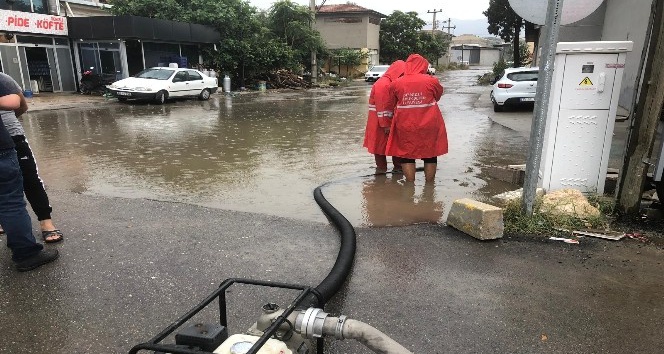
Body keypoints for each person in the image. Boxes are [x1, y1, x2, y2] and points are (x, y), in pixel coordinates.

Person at [0, 84, 58, 272]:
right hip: (2, 147)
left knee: (31, 181)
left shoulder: (3, 78)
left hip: (13, 138)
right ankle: (24, 249)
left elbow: (20, 103)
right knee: (11, 200)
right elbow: (14, 101)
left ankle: (46, 222)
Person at [386, 54, 448, 182]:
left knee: (406, 154)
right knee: (430, 153)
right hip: (429, 122)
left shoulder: (396, 83)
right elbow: (437, 96)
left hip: (405, 124)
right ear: (424, 65)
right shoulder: (432, 81)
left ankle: (409, 185)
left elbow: (392, 102)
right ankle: (430, 186)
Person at [363, 60, 406, 173]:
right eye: (402, 73)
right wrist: (386, 124)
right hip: (381, 122)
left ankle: (394, 171)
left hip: (382, 121)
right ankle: (384, 172)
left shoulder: (387, 82)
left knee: (389, 146)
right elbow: (383, 106)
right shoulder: (384, 84)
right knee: (381, 148)